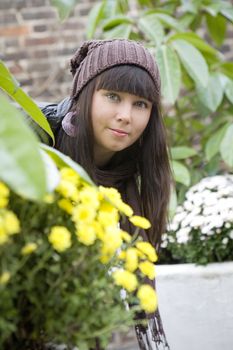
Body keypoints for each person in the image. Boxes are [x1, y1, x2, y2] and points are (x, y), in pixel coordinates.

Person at [35, 39, 172, 350]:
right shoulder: (39, 144)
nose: (126, 115)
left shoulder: (133, 171)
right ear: (84, 96)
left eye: (141, 104)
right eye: (113, 96)